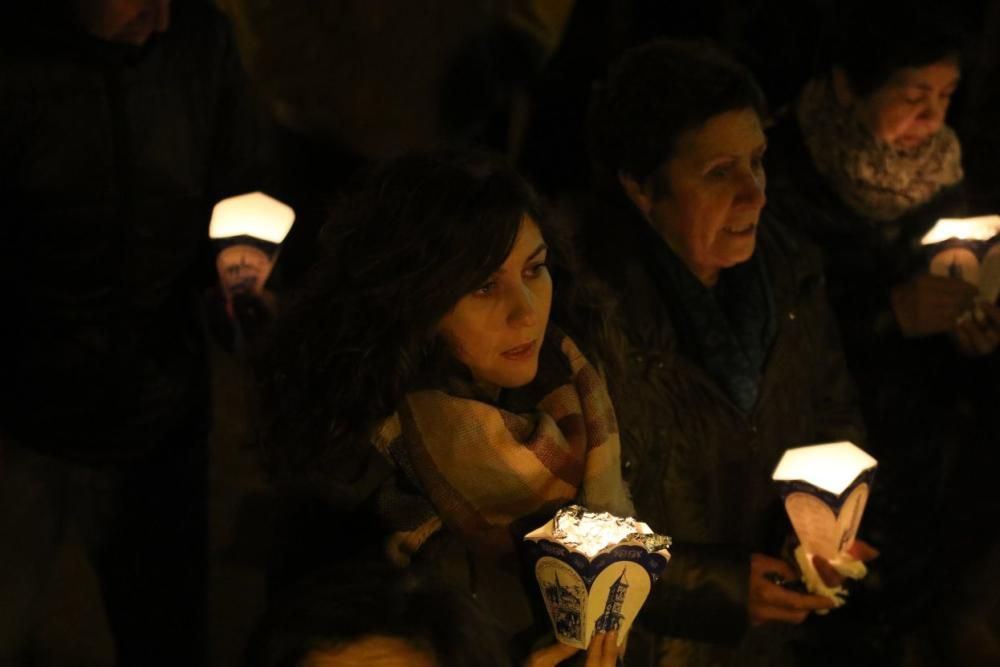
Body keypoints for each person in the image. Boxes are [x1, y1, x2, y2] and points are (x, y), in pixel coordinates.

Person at [256, 152, 630, 666]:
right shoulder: (356, 477)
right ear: (413, 299)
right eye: (483, 286)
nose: (525, 309)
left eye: (535, 270)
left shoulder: (579, 404)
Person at [583, 39, 868, 666]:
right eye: (719, 173)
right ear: (640, 186)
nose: (755, 195)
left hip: (765, 636)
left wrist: (824, 520)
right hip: (651, 645)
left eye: (758, 162)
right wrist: (718, 586)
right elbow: (565, 525)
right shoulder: (589, 316)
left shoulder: (789, 273)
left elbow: (830, 410)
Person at [0, 1, 268, 665]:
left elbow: (242, 178)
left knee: (167, 638)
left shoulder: (198, 35)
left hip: (159, 421)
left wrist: (239, 264)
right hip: (21, 426)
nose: (163, 16)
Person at [764, 4, 1000, 662]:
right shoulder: (777, 175)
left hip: (919, 482)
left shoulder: (943, 182)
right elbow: (771, 333)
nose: (932, 120)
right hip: (809, 480)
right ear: (848, 84)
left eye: (946, 97)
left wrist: (973, 342)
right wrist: (887, 311)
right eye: (912, 96)